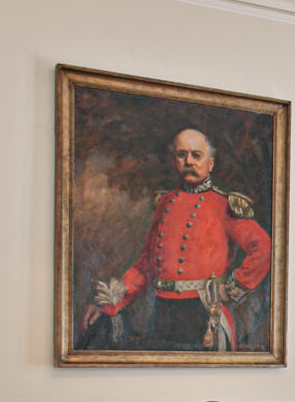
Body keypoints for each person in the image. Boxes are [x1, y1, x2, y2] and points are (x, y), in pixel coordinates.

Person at [78, 128, 272, 351]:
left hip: (205, 314)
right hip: (163, 314)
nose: (188, 161)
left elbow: (264, 247)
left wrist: (231, 289)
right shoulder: (166, 202)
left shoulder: (225, 205)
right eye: (182, 154)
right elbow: (146, 265)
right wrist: (110, 302)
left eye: (196, 155)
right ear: (174, 161)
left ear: (210, 163)